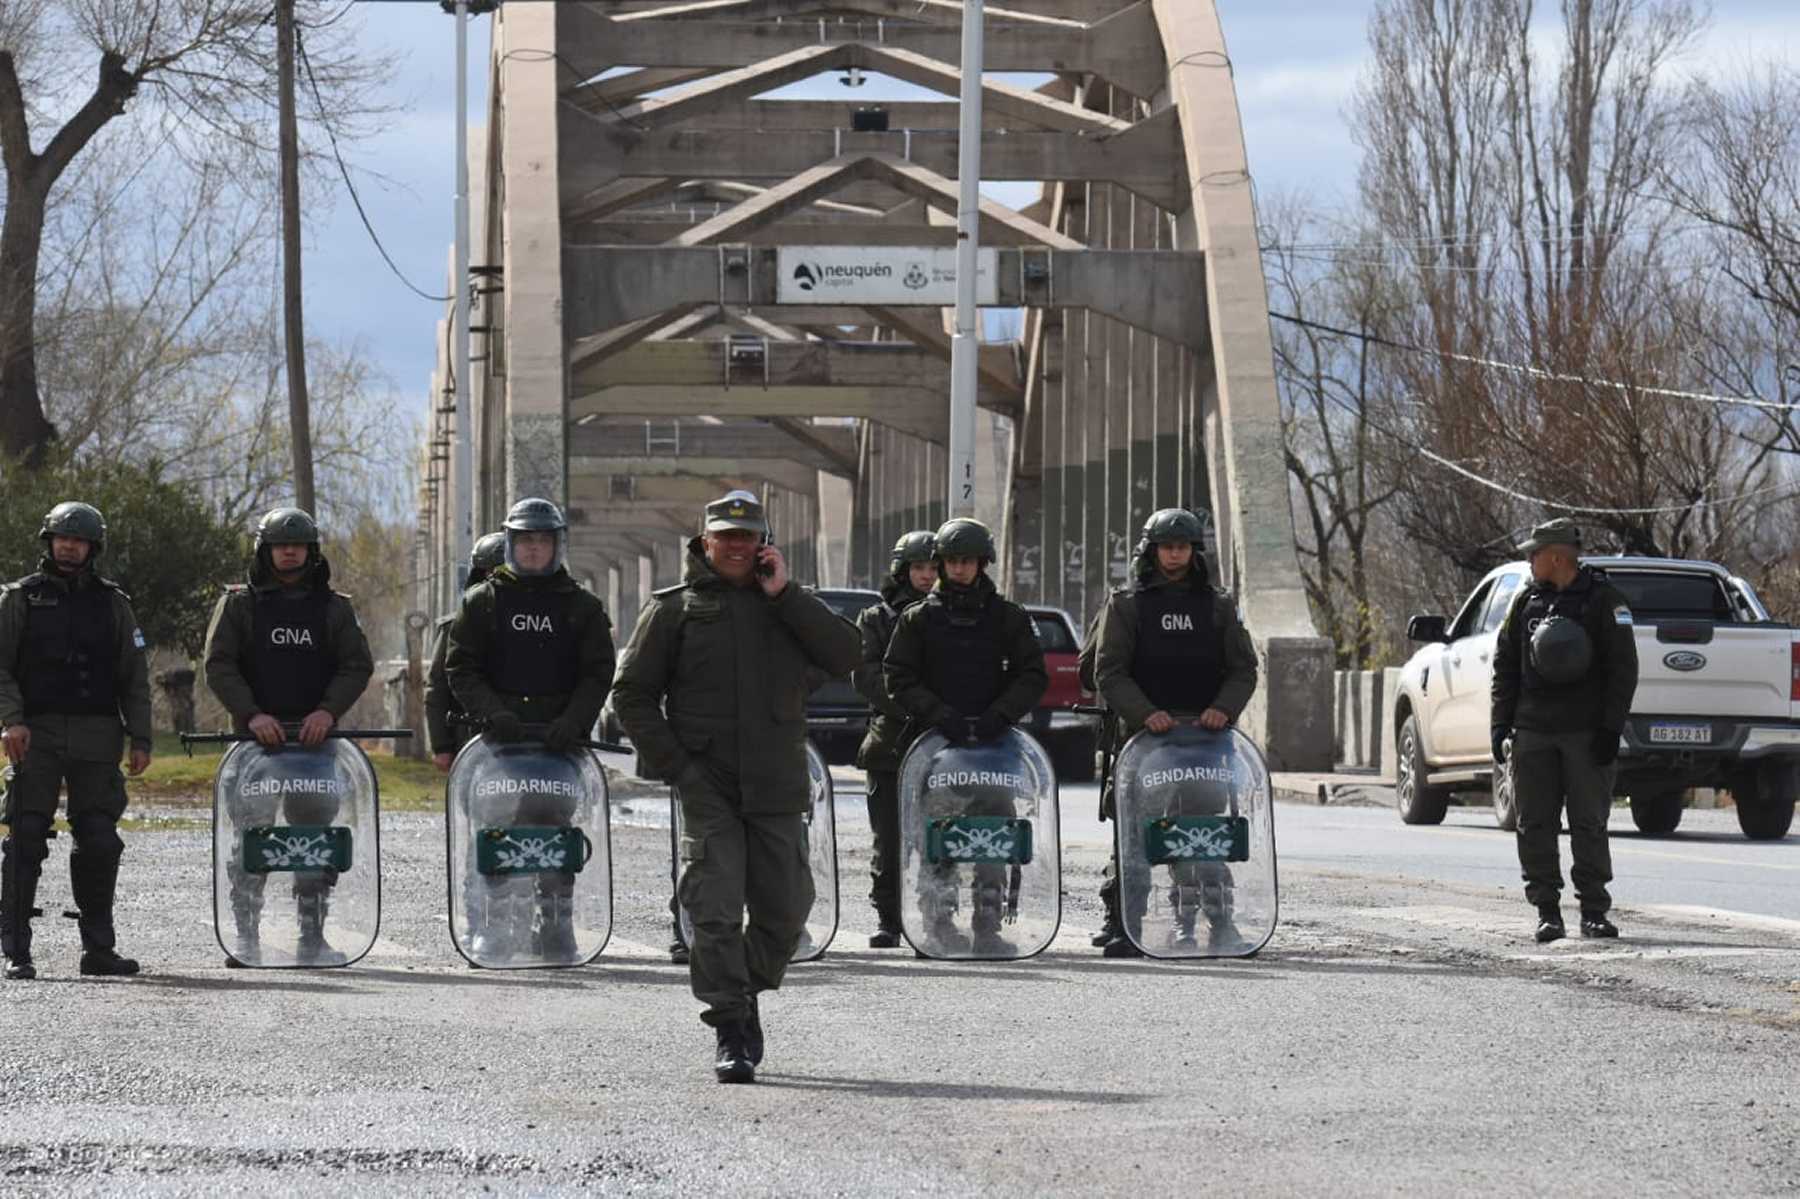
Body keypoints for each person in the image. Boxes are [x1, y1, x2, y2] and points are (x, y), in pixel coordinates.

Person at [612, 490, 860, 1084]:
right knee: (714, 908)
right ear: (705, 542)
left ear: (764, 546)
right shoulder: (673, 610)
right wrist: (678, 766)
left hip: (777, 781)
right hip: (709, 785)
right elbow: (632, 695)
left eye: (746, 538)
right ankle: (730, 1026)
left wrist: (786, 595)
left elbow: (847, 652)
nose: (735, 546)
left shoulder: (789, 607)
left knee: (788, 907)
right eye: (724, 536)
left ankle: (742, 990)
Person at [203, 507, 375, 966]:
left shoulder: (335, 607)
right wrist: (252, 714)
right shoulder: (239, 604)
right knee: (251, 841)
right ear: (266, 550)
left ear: (312, 550)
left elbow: (356, 665)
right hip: (254, 746)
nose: (289, 552)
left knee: (314, 840)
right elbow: (219, 665)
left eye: (297, 545)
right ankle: (246, 939)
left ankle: (312, 937)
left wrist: (328, 711)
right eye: (280, 545)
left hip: (317, 748)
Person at [445, 499, 615, 959]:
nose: (534, 549)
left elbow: (599, 672)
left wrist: (574, 721)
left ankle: (557, 925)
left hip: (560, 746)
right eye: (525, 541)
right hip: (500, 745)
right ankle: (495, 925)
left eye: (543, 541)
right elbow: (460, 668)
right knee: (496, 832)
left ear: (559, 545)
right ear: (510, 545)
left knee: (555, 832)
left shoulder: (582, 607)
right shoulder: (482, 602)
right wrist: (491, 713)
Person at [1091, 508, 1258, 956]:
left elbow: (1243, 669)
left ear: (1194, 551)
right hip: (1144, 741)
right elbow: (1109, 672)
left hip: (1205, 741)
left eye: (1183, 546)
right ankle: (1125, 923)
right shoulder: (1127, 605)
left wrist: (1222, 708)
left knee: (1204, 836)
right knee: (1135, 837)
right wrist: (1146, 713)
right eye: (1167, 546)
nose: (1175, 554)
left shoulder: (1218, 606)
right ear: (1152, 550)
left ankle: (1220, 924)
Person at [0, 503, 153, 980]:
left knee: (100, 841)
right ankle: (16, 949)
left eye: (78, 540)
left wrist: (142, 737)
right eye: (61, 538)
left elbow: (135, 677)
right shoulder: (18, 599)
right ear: (48, 542)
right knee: (25, 837)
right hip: (36, 734)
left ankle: (99, 949)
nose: (68, 546)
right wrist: (11, 720)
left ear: (92, 547)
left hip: (98, 736)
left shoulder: (114, 604)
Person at [883, 517, 1047, 956]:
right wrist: (939, 715)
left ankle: (989, 926)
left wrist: (1001, 714)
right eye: (951, 561)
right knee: (938, 841)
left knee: (992, 840)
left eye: (966, 561)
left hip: (994, 752)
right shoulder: (918, 619)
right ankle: (937, 925)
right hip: (936, 750)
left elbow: (1033, 675)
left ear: (982, 563)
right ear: (940, 563)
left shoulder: (1007, 617)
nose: (958, 569)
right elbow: (897, 676)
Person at [1492, 518, 1638, 943]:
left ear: (1555, 557)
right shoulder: (1525, 604)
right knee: (1534, 823)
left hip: (1585, 733)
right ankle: (1547, 912)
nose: (1529, 561)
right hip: (1533, 732)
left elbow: (1623, 670)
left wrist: (1610, 728)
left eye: (1533, 554)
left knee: (1588, 823)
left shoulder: (1605, 601)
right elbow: (1506, 667)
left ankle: (1593, 910)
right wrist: (1500, 723)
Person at [852, 530, 937, 948]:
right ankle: (889, 917)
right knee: (889, 839)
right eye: (919, 568)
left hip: (944, 742)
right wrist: (913, 706)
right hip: (892, 740)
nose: (926, 576)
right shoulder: (877, 618)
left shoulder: (949, 614)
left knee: (940, 835)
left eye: (933, 568)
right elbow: (867, 675)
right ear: (903, 570)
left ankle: (937, 915)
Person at [425, 531, 506, 771]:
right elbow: (438, 690)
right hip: (471, 740)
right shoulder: (456, 627)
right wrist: (442, 746)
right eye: (494, 572)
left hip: (524, 738)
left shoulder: (534, 623)